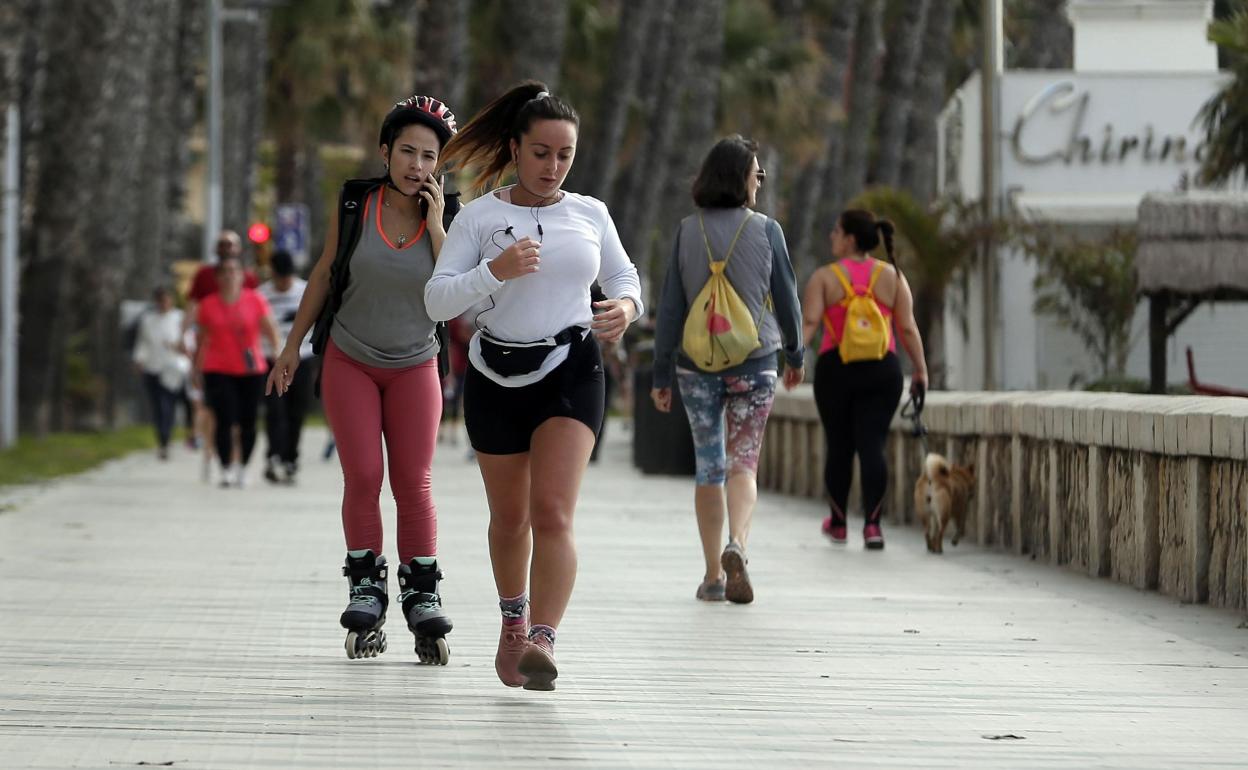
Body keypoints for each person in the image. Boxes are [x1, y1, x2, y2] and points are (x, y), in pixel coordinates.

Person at [425, 81, 643, 691]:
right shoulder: (480, 216)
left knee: (553, 511)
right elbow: (437, 300)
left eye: (565, 154)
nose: (552, 166)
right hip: (495, 373)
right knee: (510, 517)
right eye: (541, 152)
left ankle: (545, 637)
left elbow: (627, 279)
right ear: (516, 148)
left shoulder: (591, 213)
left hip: (572, 366)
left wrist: (625, 309)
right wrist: (494, 270)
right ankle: (513, 621)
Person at [266, 94, 459, 664]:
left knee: (413, 481)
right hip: (349, 358)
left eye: (428, 156)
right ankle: (366, 586)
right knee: (364, 475)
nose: (416, 166)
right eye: (406, 151)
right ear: (385, 151)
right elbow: (325, 272)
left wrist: (437, 224)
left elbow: (451, 292)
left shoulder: (449, 214)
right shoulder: (356, 201)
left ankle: (422, 592)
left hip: (415, 364)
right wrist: (289, 346)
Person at [650, 136, 805, 605]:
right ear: (741, 178)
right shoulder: (767, 230)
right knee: (744, 464)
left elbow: (671, 308)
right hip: (756, 362)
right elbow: (788, 296)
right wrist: (795, 355)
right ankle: (738, 541)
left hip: (697, 366)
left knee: (709, 466)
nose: (759, 181)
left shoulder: (686, 231)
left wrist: (660, 373)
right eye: (756, 173)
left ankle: (713, 573)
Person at [801, 209, 928, 550]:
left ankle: (839, 522)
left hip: (835, 369)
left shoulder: (825, 278)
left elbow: (810, 324)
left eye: (837, 231)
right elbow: (907, 328)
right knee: (872, 444)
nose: (832, 237)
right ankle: (873, 525)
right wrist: (920, 370)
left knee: (839, 446)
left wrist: (792, 362)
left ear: (850, 239)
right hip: (881, 370)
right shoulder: (892, 277)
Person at [194, 252, 280, 488]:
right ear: (218, 278)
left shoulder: (256, 300)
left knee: (248, 422)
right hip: (218, 368)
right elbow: (200, 339)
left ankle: (243, 466)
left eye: (235, 272)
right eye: (226, 272)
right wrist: (196, 369)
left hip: (251, 369)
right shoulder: (207, 305)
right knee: (224, 419)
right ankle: (226, 468)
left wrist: (278, 355)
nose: (231, 276)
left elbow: (270, 330)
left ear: (242, 276)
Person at [258, 250, 313, 484]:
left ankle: (291, 458)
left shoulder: (305, 291)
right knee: (274, 411)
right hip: (271, 360)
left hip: (303, 357)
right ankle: (273, 455)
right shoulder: (261, 295)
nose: (284, 282)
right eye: (280, 278)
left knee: (296, 411)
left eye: (287, 277)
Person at [132, 286, 190, 460]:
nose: (164, 304)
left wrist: (178, 347)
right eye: (160, 300)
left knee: (168, 405)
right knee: (157, 406)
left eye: (167, 300)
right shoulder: (148, 319)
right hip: (152, 368)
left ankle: (167, 436)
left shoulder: (180, 318)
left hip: (173, 369)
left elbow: (187, 344)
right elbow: (143, 342)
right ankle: (162, 439)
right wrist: (139, 360)